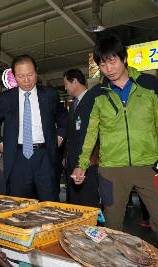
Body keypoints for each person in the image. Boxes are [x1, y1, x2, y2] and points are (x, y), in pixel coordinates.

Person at [71, 35, 158, 252]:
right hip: (112, 171)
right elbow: (90, 133)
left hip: (152, 168)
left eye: (112, 61)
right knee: (113, 225)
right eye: (103, 64)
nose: (108, 68)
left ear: (124, 58)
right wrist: (81, 164)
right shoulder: (97, 94)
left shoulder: (149, 85)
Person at [0, 54, 68, 201]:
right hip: (18, 158)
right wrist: (0, 144)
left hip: (45, 156)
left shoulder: (50, 95)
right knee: (19, 204)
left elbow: (63, 117)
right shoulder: (6, 98)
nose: (26, 80)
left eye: (30, 75)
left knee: (49, 203)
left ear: (36, 72)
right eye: (21, 76)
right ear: (14, 76)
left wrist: (60, 136)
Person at [63, 69, 100, 207]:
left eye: (66, 84)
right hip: (73, 160)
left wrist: (92, 157)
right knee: (76, 201)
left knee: (88, 200)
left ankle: (93, 227)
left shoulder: (92, 100)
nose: (65, 88)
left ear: (75, 82)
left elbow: (94, 133)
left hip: (88, 161)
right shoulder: (73, 104)